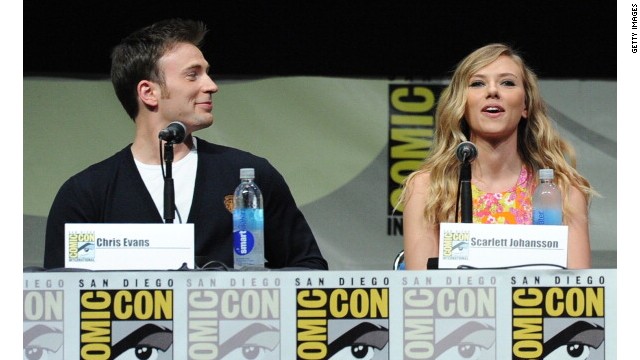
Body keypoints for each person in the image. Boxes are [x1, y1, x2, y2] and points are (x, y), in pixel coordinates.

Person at [43, 18, 328, 270]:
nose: (212, 85)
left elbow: (307, 270)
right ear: (148, 92)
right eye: (193, 74)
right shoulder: (85, 193)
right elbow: (57, 296)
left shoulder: (249, 176)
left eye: (207, 72)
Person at [398, 43, 596, 270]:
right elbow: (421, 292)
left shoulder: (562, 190)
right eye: (478, 83)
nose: (492, 91)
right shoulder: (428, 188)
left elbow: (579, 292)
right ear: (461, 104)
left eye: (507, 83)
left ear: (525, 106)